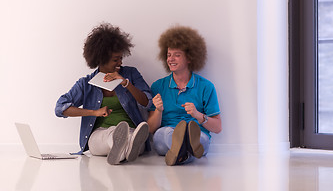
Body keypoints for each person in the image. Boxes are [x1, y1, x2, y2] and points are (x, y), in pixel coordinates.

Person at [55, 23, 152, 165]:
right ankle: (126, 147)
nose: (120, 62)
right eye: (115, 59)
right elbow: (60, 108)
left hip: (132, 130)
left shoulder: (131, 74)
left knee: (132, 135)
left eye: (120, 57)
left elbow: (147, 102)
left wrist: (126, 83)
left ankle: (122, 149)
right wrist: (94, 112)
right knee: (111, 135)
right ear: (100, 59)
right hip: (99, 135)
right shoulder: (86, 83)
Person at [147, 25, 222, 166]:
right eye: (169, 55)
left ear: (189, 58)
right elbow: (150, 129)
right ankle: (187, 150)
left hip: (198, 134)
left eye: (177, 55)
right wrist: (158, 111)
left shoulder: (206, 86)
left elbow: (217, 127)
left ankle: (181, 151)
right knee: (163, 134)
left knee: (200, 140)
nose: (171, 59)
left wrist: (198, 115)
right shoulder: (158, 86)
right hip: (165, 137)